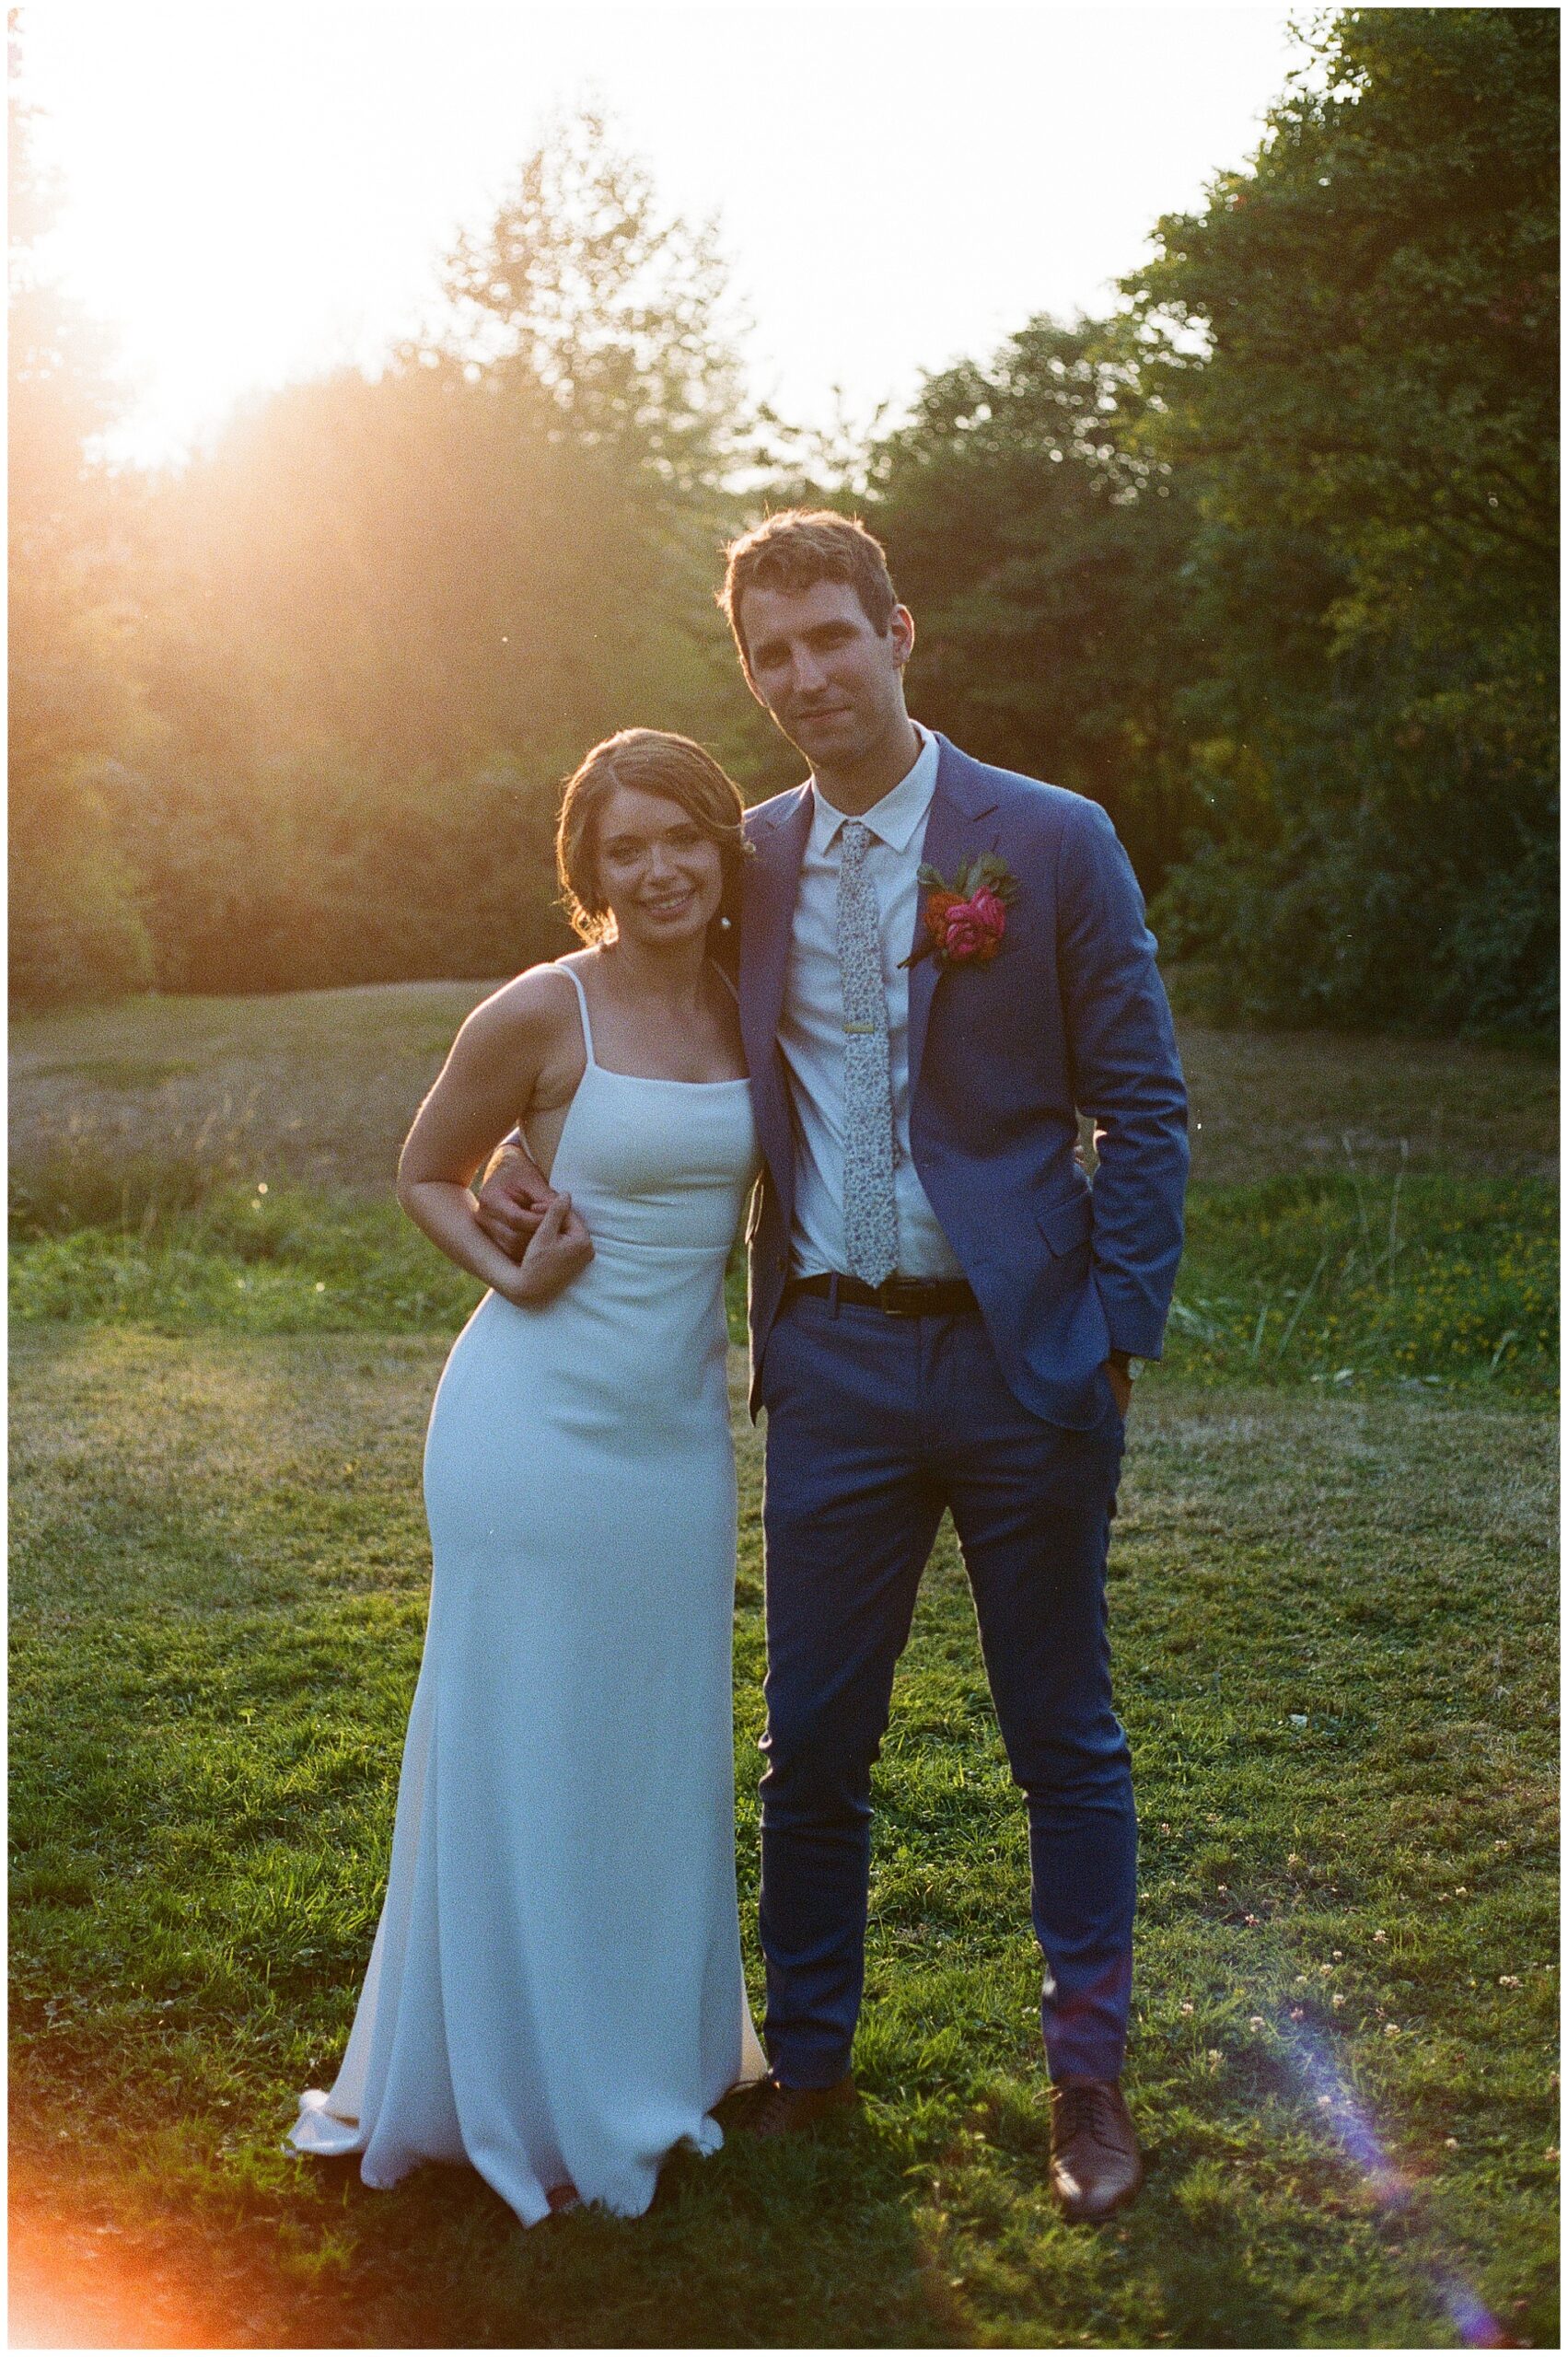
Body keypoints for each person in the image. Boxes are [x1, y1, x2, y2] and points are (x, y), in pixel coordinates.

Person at [480, 511, 1188, 2223]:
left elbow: (1145, 1107)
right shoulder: (755, 863)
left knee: (1063, 1736)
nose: (803, 678)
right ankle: (810, 2068)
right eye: (769, 655)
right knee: (814, 1745)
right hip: (838, 1369)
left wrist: (1106, 1330)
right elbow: (624, 1016)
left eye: (829, 640)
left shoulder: (1054, 841)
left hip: (1027, 1366)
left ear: (898, 633)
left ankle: (1086, 2082)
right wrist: (520, 1153)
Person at [290, 729, 767, 2226]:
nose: (659, 868)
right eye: (623, 850)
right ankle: (507, 2076)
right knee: (526, 1740)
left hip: (675, 1440)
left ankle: (648, 2052)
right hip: (531, 1425)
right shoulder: (543, 1009)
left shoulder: (761, 1003)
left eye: (679, 836)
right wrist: (514, 1258)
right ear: (588, 876)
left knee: (647, 1744)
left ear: (718, 842)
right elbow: (428, 1168)